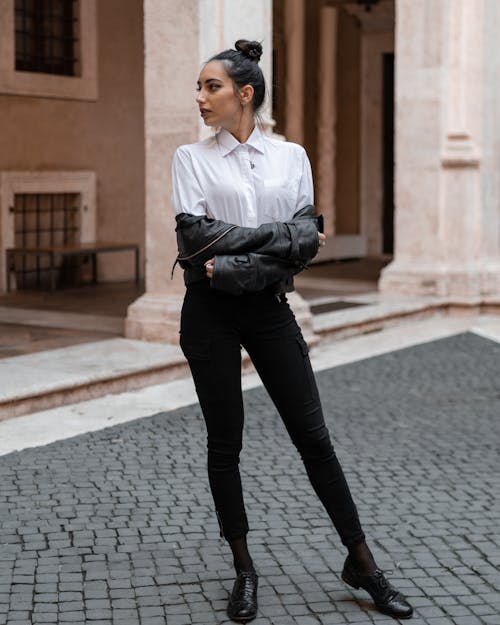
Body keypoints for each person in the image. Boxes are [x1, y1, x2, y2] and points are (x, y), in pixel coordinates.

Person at [171, 39, 414, 623]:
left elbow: (303, 246)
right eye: (201, 88)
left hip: (270, 309)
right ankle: (244, 568)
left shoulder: (292, 156)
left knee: (314, 438)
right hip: (208, 313)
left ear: (245, 93)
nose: (201, 98)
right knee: (225, 444)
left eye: (213, 87)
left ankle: (362, 562)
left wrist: (237, 255)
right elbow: (193, 240)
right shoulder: (190, 158)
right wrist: (277, 238)